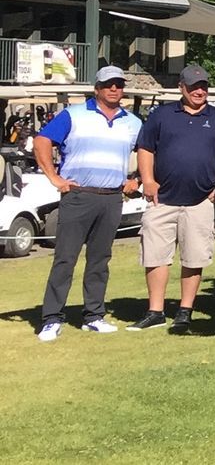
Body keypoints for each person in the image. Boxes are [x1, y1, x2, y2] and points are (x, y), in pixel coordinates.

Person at [34, 65, 144, 341]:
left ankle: (94, 315)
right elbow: (42, 141)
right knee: (65, 258)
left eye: (119, 84)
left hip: (111, 198)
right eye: (109, 84)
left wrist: (138, 179)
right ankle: (51, 318)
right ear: (96, 88)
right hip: (78, 195)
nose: (114, 89)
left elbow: (148, 152)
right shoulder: (74, 115)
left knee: (100, 260)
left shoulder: (132, 122)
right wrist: (55, 178)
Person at [130, 64, 215, 332]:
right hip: (162, 199)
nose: (199, 91)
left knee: (194, 258)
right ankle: (155, 311)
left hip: (200, 201)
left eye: (203, 86)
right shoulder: (161, 115)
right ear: (181, 88)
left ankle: (185, 311)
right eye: (193, 87)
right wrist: (149, 180)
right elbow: (145, 148)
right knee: (155, 256)